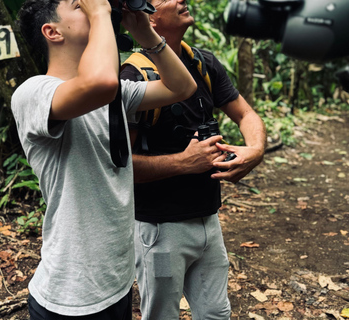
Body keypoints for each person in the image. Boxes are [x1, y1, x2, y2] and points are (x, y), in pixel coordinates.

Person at [11, 0, 197, 319]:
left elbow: (183, 87)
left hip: (116, 285)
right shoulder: (34, 93)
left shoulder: (116, 96)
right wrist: (99, 11)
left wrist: (146, 35)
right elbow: (99, 83)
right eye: (79, 5)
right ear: (52, 31)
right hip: (69, 296)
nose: (94, 5)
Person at [119, 0, 267, 319]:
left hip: (207, 219)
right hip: (160, 227)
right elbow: (121, 166)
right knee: (162, 315)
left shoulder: (201, 61)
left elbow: (245, 113)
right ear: (150, 20)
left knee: (215, 313)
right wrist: (184, 162)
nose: (180, 0)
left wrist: (254, 150)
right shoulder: (134, 74)